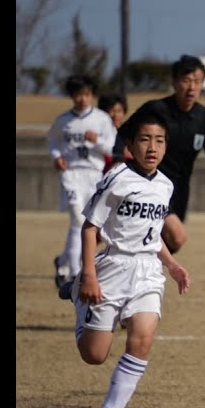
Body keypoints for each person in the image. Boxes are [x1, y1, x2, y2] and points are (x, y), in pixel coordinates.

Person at [72, 113, 191, 408]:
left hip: (147, 273)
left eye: (160, 140)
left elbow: (152, 237)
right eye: (145, 139)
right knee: (95, 355)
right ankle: (76, 294)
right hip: (111, 268)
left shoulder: (165, 185)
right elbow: (89, 228)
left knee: (142, 338)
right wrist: (89, 276)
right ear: (130, 145)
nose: (152, 147)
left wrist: (172, 265)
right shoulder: (117, 178)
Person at [112, 54, 205, 254]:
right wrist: (118, 159)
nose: (192, 87)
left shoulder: (204, 117)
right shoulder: (156, 109)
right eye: (186, 81)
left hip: (179, 191)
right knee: (177, 236)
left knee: (164, 240)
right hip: (149, 185)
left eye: (197, 81)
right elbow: (123, 134)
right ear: (175, 82)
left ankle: (133, 270)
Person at [48, 74, 118, 293]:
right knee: (78, 219)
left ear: (92, 95)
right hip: (71, 174)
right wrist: (56, 157)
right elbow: (53, 142)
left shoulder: (101, 119)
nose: (82, 99)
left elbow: (111, 146)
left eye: (86, 94)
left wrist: (96, 140)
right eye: (78, 94)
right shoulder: (63, 121)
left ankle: (63, 263)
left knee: (91, 223)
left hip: (94, 175)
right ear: (72, 96)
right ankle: (77, 271)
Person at [98, 92, 131, 173]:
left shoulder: (131, 132)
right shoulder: (98, 133)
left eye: (119, 111)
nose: (115, 115)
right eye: (112, 111)